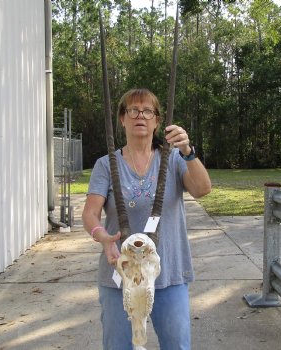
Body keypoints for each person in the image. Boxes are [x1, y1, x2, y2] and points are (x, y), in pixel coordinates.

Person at [82, 88, 211, 350]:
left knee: (177, 344)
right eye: (133, 110)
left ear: (157, 120)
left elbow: (202, 189)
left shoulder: (173, 159)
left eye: (147, 111)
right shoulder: (106, 165)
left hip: (168, 273)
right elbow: (90, 212)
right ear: (122, 118)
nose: (140, 116)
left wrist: (187, 150)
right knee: (118, 345)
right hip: (120, 272)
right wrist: (101, 236)